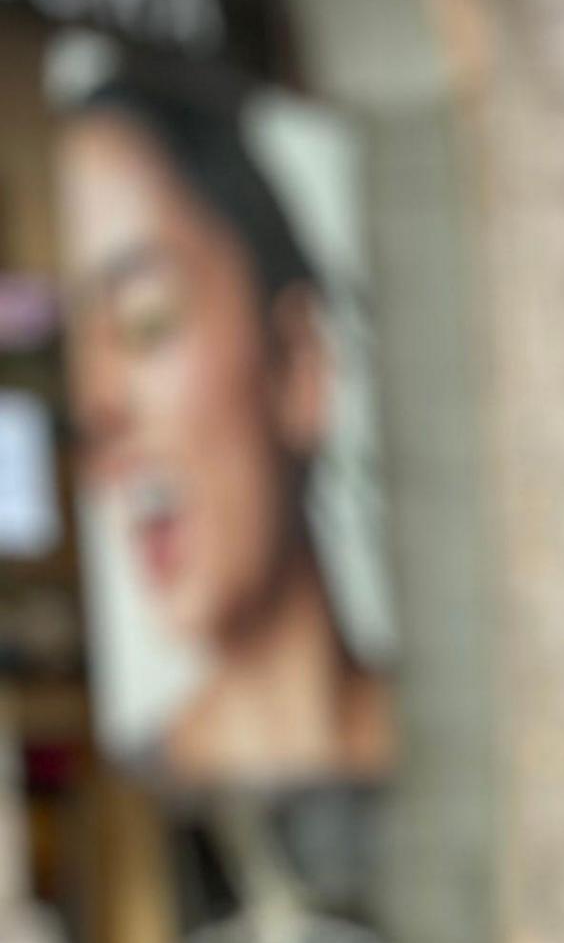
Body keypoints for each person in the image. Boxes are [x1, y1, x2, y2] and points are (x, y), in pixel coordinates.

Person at [56, 56, 393, 788]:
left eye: (146, 320)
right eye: (72, 353)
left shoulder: (449, 728)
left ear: (299, 365)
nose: (96, 407)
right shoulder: (137, 774)